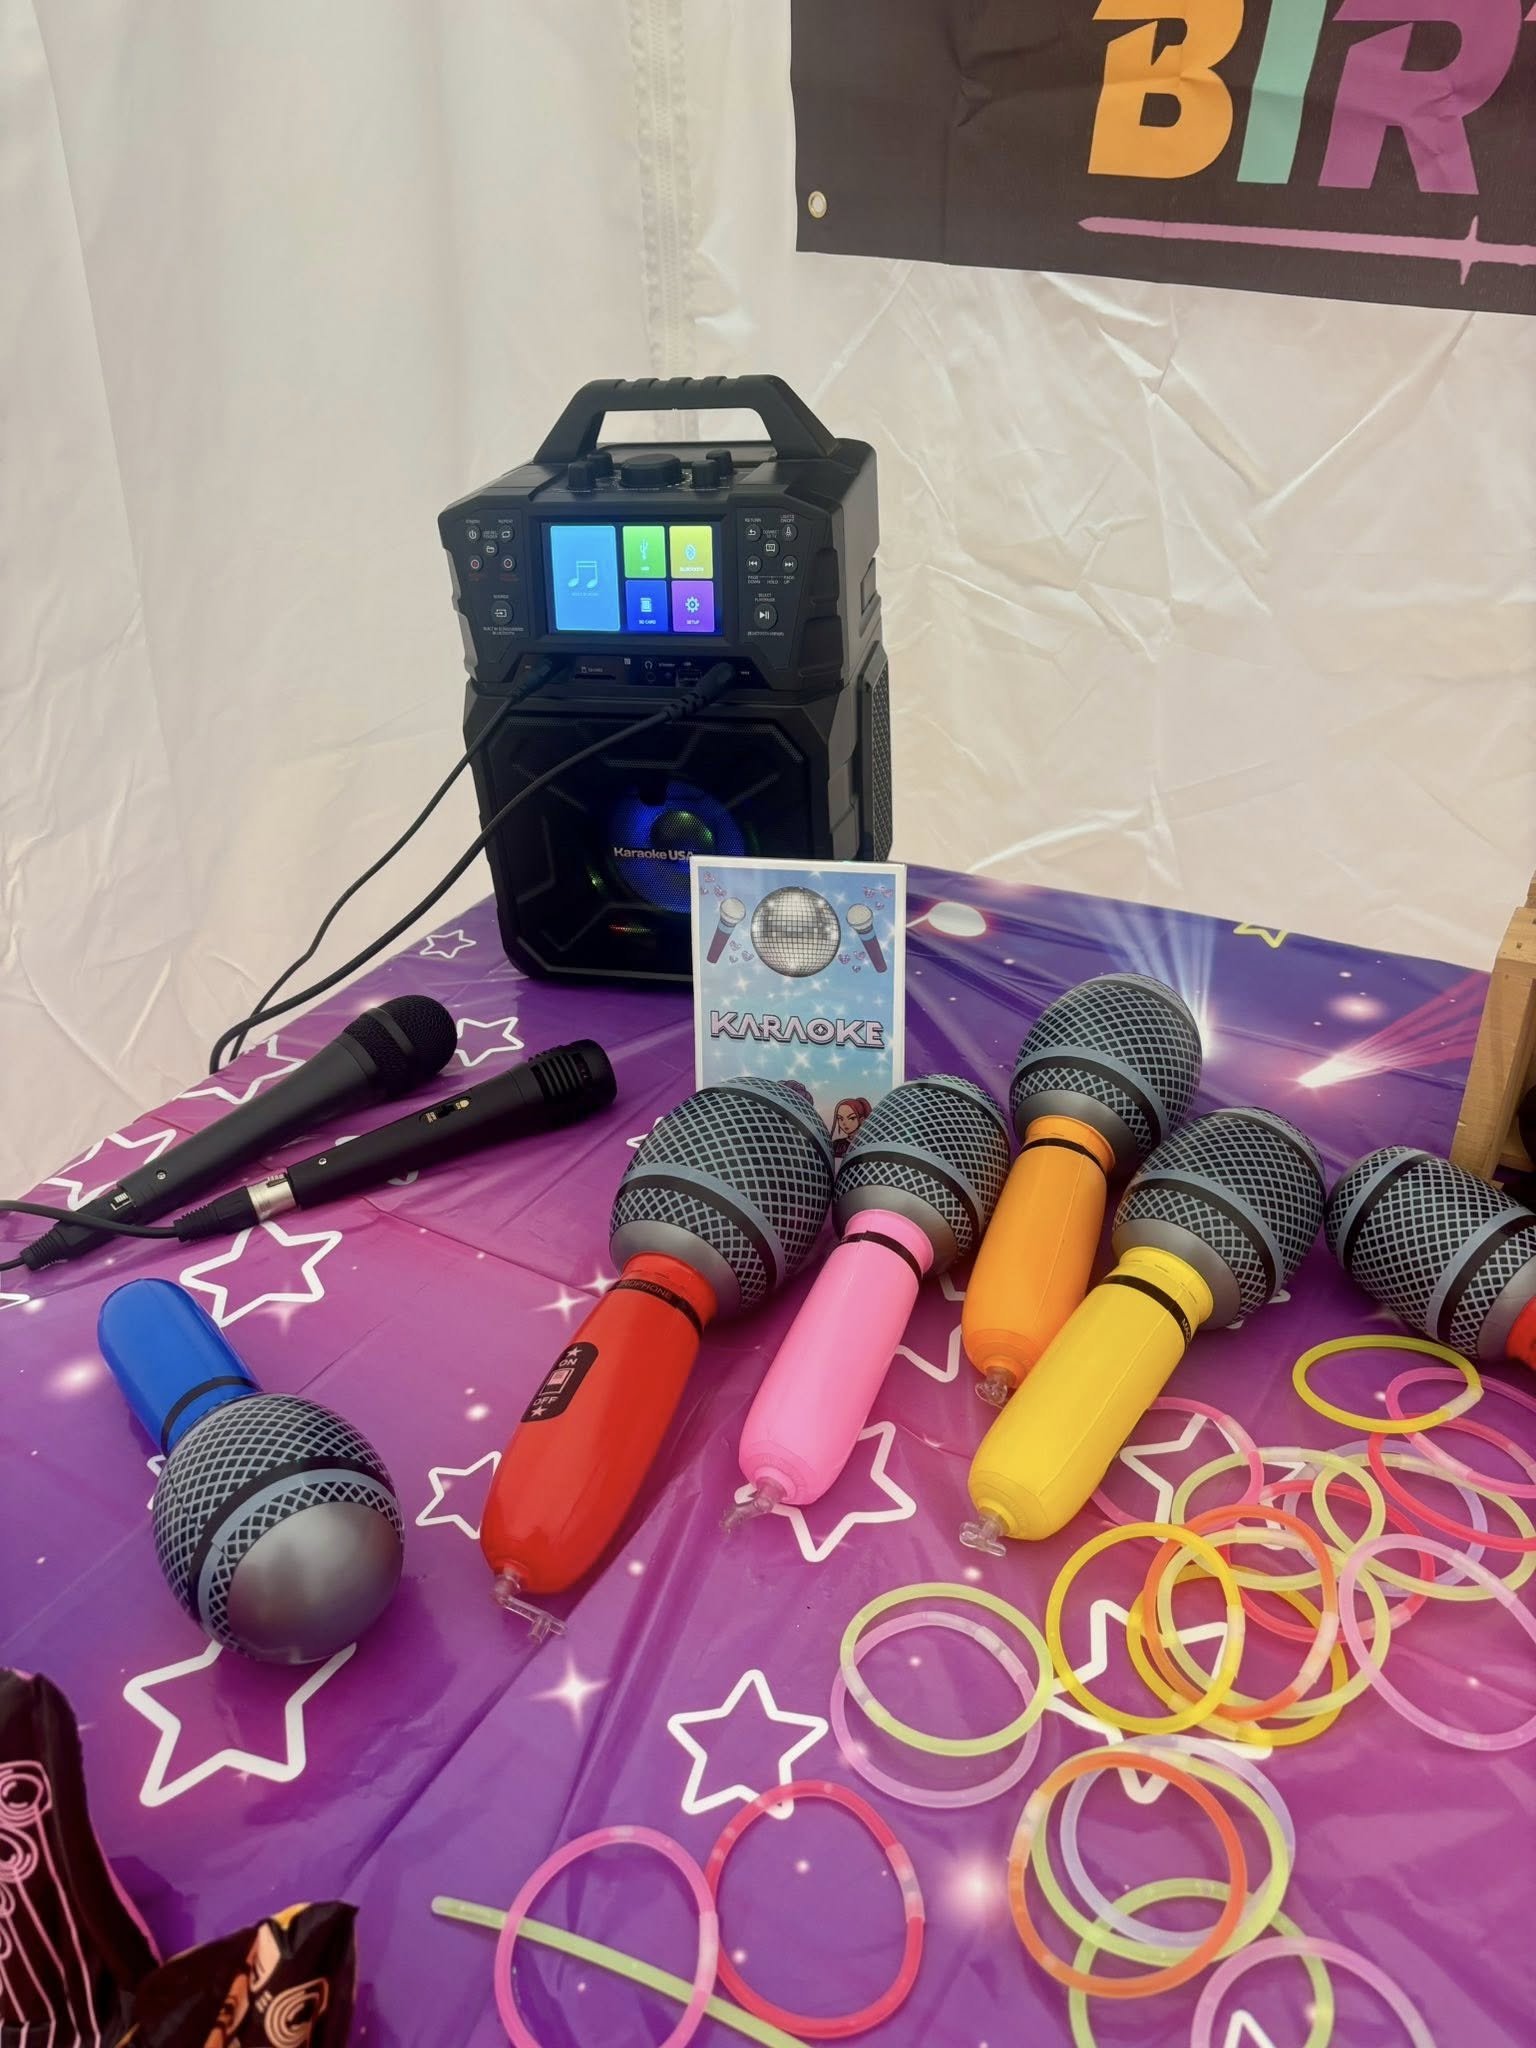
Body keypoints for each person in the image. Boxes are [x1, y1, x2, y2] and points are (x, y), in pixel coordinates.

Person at [830, 1096, 871, 1162]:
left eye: (851, 1118)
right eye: (840, 1118)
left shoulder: (867, 1144)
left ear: (862, 1120)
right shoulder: (837, 1144)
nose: (844, 1123)